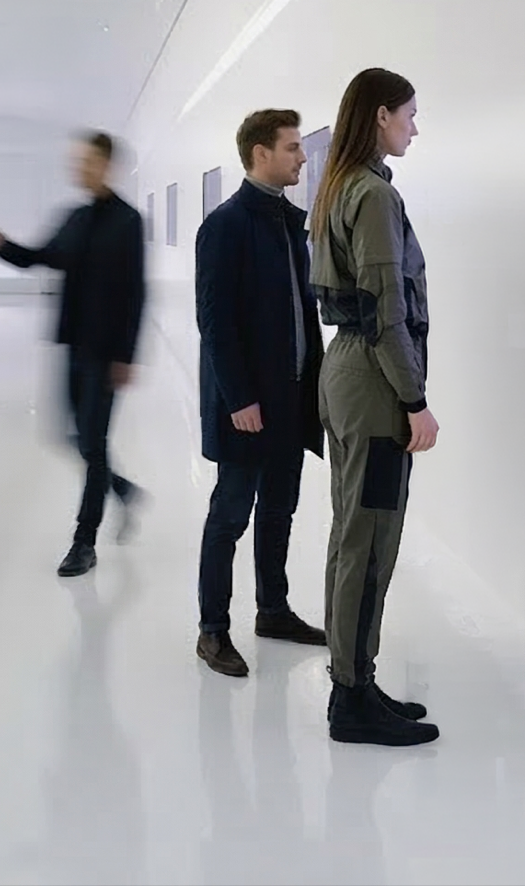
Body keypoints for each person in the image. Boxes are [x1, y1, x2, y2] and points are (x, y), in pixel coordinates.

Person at [311, 68, 440, 746]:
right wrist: (414, 401)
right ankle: (351, 699)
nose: (414, 127)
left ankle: (354, 678)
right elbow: (388, 313)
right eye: (409, 115)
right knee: (369, 542)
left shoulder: (339, 185)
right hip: (375, 383)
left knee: (351, 535)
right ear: (382, 115)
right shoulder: (372, 195)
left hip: (347, 372)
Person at [0, 130, 146, 578]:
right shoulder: (73, 217)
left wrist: (126, 355)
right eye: (76, 161)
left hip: (106, 353)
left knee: (93, 441)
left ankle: (83, 542)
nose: (77, 168)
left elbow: (135, 292)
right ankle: (120, 488)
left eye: (86, 161)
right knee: (70, 436)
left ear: (106, 165)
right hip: (71, 344)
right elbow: (39, 257)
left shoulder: (127, 222)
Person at [192, 108, 327, 678]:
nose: (302, 157)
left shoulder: (288, 223)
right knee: (230, 515)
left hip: (291, 399)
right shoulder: (226, 225)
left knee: (280, 511)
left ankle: (273, 610)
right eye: (293, 148)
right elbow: (216, 323)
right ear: (260, 154)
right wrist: (239, 398)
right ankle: (212, 630)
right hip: (247, 407)